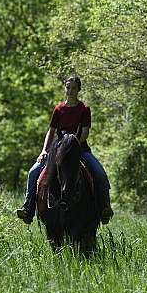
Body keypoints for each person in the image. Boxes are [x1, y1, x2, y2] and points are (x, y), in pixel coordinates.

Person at [16, 75, 114, 225]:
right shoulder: (59, 109)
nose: (70, 91)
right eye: (68, 87)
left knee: (99, 173)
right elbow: (51, 131)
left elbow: (85, 131)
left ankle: (104, 208)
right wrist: (44, 150)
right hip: (58, 149)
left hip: (79, 149)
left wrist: (73, 145)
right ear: (65, 88)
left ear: (78, 89)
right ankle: (28, 208)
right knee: (33, 172)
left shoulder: (84, 109)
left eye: (74, 88)